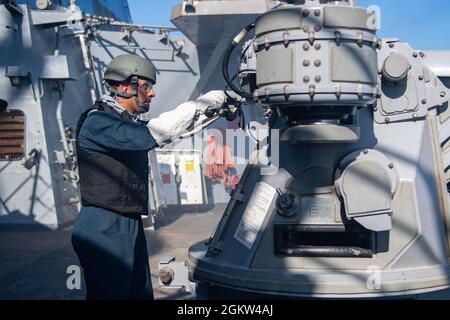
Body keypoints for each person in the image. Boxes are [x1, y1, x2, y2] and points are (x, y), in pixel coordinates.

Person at [71, 54, 226, 300]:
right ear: (124, 86)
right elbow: (151, 135)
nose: (152, 94)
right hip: (103, 226)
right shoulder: (98, 121)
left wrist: (211, 112)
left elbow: (168, 133)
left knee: (139, 293)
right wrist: (197, 105)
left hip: (126, 222)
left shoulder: (123, 122)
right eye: (147, 86)